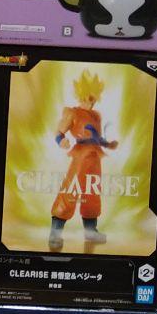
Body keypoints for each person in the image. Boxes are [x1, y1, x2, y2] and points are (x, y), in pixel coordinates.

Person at [49, 70, 116, 250]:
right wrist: (60, 140)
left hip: (95, 157)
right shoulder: (72, 113)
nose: (92, 101)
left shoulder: (96, 115)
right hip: (80, 157)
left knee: (92, 193)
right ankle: (55, 233)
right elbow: (59, 131)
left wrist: (108, 144)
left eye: (95, 97)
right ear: (81, 93)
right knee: (70, 191)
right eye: (90, 96)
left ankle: (90, 231)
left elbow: (97, 137)